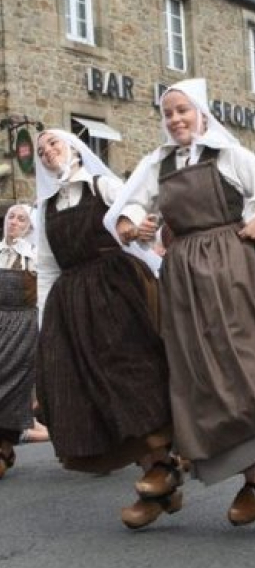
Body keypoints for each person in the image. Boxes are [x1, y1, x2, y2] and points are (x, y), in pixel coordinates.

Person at [109, 79, 255, 527]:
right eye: (168, 113)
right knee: (203, 371)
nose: (175, 120)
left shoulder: (231, 155)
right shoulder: (158, 162)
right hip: (185, 271)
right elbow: (129, 206)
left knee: (248, 357)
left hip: (234, 264)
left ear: (201, 113)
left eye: (182, 111)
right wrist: (135, 227)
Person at [33, 129, 178, 529]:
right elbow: (47, 268)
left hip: (116, 289)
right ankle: (158, 474)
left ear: (75, 149)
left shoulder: (103, 184)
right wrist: (47, 322)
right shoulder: (44, 208)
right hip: (72, 301)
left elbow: (137, 214)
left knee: (132, 374)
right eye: (42, 151)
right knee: (93, 388)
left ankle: (161, 468)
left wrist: (142, 230)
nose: (48, 153)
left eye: (54, 144)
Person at [0, 205, 38, 478]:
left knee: (13, 383)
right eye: (11, 217)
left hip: (24, 324)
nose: (13, 222)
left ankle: (4, 444)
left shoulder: (35, 257)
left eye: (21, 218)